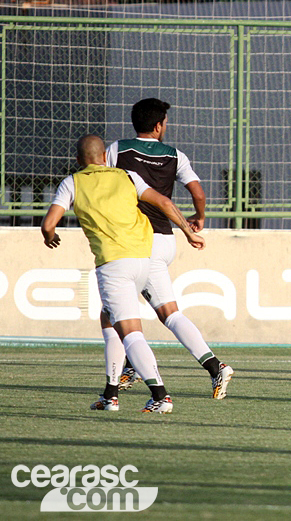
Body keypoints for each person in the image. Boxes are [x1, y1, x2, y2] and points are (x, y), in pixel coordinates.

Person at [41, 134, 206, 412]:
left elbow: (48, 223)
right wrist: (189, 233)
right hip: (143, 259)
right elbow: (164, 203)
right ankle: (110, 394)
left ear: (79, 160)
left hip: (113, 264)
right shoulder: (127, 176)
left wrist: (50, 235)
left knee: (131, 333)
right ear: (105, 156)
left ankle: (160, 396)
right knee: (109, 318)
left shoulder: (73, 182)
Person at [105, 98, 233, 400]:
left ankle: (116, 384)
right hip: (164, 239)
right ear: (159, 125)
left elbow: (102, 182)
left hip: (132, 240)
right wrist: (198, 218)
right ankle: (215, 367)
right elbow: (197, 192)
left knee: (112, 315)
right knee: (169, 313)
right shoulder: (175, 155)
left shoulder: (116, 150)